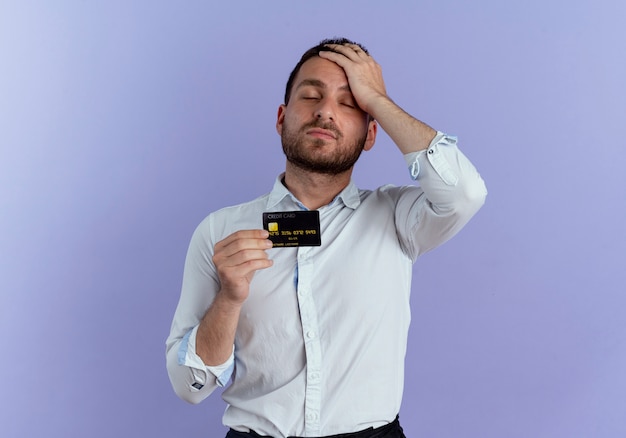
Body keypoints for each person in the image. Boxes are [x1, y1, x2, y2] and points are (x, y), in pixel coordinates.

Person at [166, 37, 487, 438]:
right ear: (282, 118)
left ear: (371, 135)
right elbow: (190, 386)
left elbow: (465, 194)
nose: (325, 111)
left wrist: (378, 100)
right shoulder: (219, 231)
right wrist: (229, 299)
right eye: (311, 96)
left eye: (349, 103)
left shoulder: (397, 218)